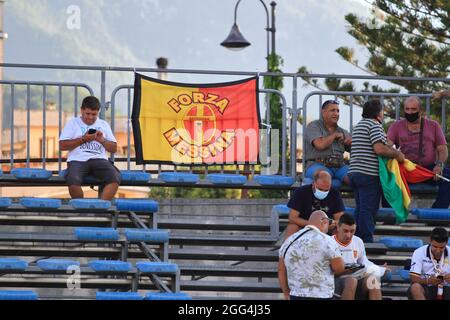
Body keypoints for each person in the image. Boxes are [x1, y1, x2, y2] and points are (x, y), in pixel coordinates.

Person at [348, 99, 405, 243]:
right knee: (368, 209)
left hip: (354, 173)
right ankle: (365, 239)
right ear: (378, 114)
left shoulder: (359, 125)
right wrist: (397, 154)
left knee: (360, 208)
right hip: (368, 174)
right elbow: (379, 149)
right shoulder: (374, 125)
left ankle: (356, 239)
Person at [387, 96, 450, 208]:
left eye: (413, 109)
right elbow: (387, 145)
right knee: (386, 177)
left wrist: (439, 165)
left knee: (448, 177)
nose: (410, 112)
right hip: (405, 169)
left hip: (428, 170)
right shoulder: (396, 126)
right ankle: (390, 214)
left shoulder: (433, 125)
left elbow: (443, 149)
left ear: (420, 111)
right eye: (407, 109)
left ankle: (435, 214)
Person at [59, 96, 121, 200]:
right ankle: (82, 208)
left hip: (99, 159)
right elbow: (62, 145)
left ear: (98, 112)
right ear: (82, 110)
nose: (91, 117)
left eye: (94, 114)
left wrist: (102, 140)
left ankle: (101, 208)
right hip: (77, 160)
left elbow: (114, 148)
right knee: (73, 180)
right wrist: (83, 139)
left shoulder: (103, 124)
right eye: (88, 114)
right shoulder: (73, 123)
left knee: (114, 179)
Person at [278, 210, 345, 300]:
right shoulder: (328, 241)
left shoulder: (289, 240)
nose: (327, 229)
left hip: (296, 295)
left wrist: (286, 293)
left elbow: (281, 270)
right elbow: (339, 268)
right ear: (324, 222)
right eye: (328, 225)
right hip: (321, 295)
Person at [333, 213, 388, 300]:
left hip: (355, 278)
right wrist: (347, 269)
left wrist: (380, 269)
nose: (349, 235)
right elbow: (327, 270)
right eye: (345, 231)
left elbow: (364, 262)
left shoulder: (358, 241)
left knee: (373, 279)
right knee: (351, 281)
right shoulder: (329, 242)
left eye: (352, 231)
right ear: (338, 227)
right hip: (335, 282)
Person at [304, 99, 352, 188]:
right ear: (323, 112)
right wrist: (334, 136)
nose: (336, 114)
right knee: (323, 177)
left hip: (340, 166)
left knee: (357, 179)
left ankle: (362, 202)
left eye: (338, 111)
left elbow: (355, 150)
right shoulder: (313, 126)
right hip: (317, 165)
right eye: (332, 110)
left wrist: (350, 143)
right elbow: (320, 145)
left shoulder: (343, 131)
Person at [285, 169, 345, 239]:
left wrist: (332, 224)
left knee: (339, 229)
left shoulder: (334, 193)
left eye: (326, 190)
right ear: (313, 183)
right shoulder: (300, 192)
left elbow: (340, 219)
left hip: (327, 228)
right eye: (320, 189)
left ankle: (338, 249)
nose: (323, 192)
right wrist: (314, 225)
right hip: (304, 226)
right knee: (292, 227)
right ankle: (289, 249)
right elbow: (292, 218)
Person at [408, 227, 450, 300]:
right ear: (430, 241)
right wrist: (428, 281)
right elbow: (413, 278)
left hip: (447, 287)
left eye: (441, 248)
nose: (438, 251)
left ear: (446, 243)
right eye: (435, 246)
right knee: (415, 287)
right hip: (427, 287)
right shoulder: (419, 252)